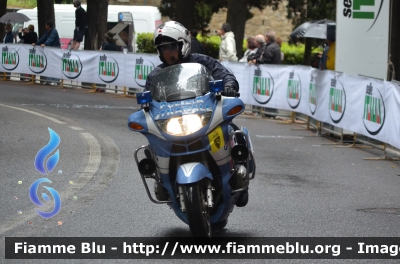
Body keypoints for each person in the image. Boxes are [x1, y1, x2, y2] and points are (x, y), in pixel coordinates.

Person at [145, 21, 248, 207]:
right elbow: (148, 100)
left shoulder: (203, 61)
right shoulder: (156, 75)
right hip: (173, 122)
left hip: (204, 116)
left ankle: (241, 173)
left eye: (170, 46)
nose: (167, 52)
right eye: (162, 48)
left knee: (234, 132)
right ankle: (162, 182)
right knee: (151, 146)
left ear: (182, 45)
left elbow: (225, 75)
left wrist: (229, 86)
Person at [33, 20, 61, 85]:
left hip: (55, 50)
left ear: (48, 25)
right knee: (48, 64)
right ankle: (49, 80)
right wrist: (36, 44)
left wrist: (45, 44)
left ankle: (55, 80)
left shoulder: (54, 31)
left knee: (54, 65)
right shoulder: (48, 32)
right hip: (50, 50)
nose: (45, 26)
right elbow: (43, 38)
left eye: (46, 25)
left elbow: (50, 39)